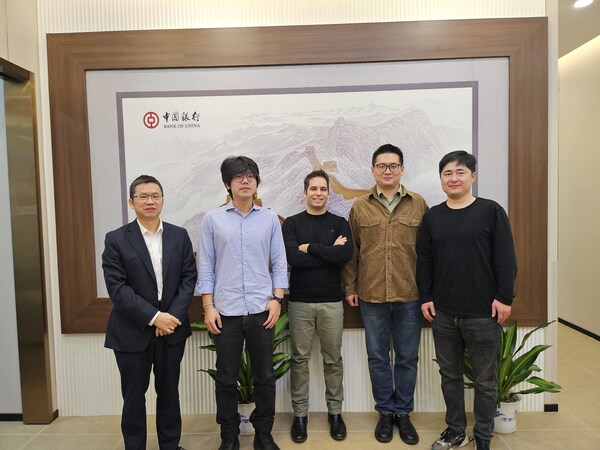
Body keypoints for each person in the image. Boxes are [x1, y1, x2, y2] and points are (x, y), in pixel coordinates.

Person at [416, 151, 517, 450]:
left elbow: (506, 257)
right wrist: (426, 296)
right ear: (441, 178)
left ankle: (483, 436)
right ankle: (455, 430)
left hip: (483, 313)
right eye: (447, 173)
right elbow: (424, 260)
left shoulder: (491, 211)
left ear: (473, 176)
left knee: (485, 381)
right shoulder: (432, 217)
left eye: (460, 172)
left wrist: (504, 297)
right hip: (444, 313)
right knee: (450, 376)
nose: (453, 178)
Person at [196, 156, 288, 450]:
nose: (245, 181)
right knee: (226, 378)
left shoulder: (269, 219)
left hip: (263, 309)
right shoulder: (213, 219)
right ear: (228, 184)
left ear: (257, 182)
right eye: (239, 177)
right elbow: (206, 265)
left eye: (250, 176)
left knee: (265, 376)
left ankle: (264, 433)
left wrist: (277, 299)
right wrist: (208, 306)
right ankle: (229, 435)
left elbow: (279, 262)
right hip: (226, 311)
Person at [102, 174, 197, 450]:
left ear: (163, 200)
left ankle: (170, 445)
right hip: (131, 331)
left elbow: (188, 278)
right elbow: (117, 288)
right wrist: (155, 318)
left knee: (169, 393)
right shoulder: (116, 239)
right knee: (134, 397)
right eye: (143, 196)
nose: (150, 201)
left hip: (171, 330)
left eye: (155, 196)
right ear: (132, 202)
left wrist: (170, 319)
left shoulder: (179, 235)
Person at [343, 144, 427, 445]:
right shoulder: (360, 207)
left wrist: (429, 292)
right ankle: (385, 413)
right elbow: (352, 252)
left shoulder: (418, 204)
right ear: (373, 170)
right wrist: (350, 287)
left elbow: (427, 253)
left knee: (407, 358)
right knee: (378, 358)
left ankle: (403, 413)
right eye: (382, 166)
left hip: (410, 295)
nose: (387, 171)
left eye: (393, 166)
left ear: (402, 169)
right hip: (371, 295)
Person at [281, 170, 353, 443]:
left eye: (323, 189)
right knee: (299, 360)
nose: (318, 193)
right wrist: (327, 251)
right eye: (313, 188)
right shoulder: (292, 224)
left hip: (332, 303)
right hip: (300, 302)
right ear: (305, 192)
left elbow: (344, 254)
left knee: (333, 360)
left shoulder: (339, 222)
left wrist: (309, 247)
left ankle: (335, 413)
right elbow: (292, 259)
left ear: (328, 193)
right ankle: (300, 416)